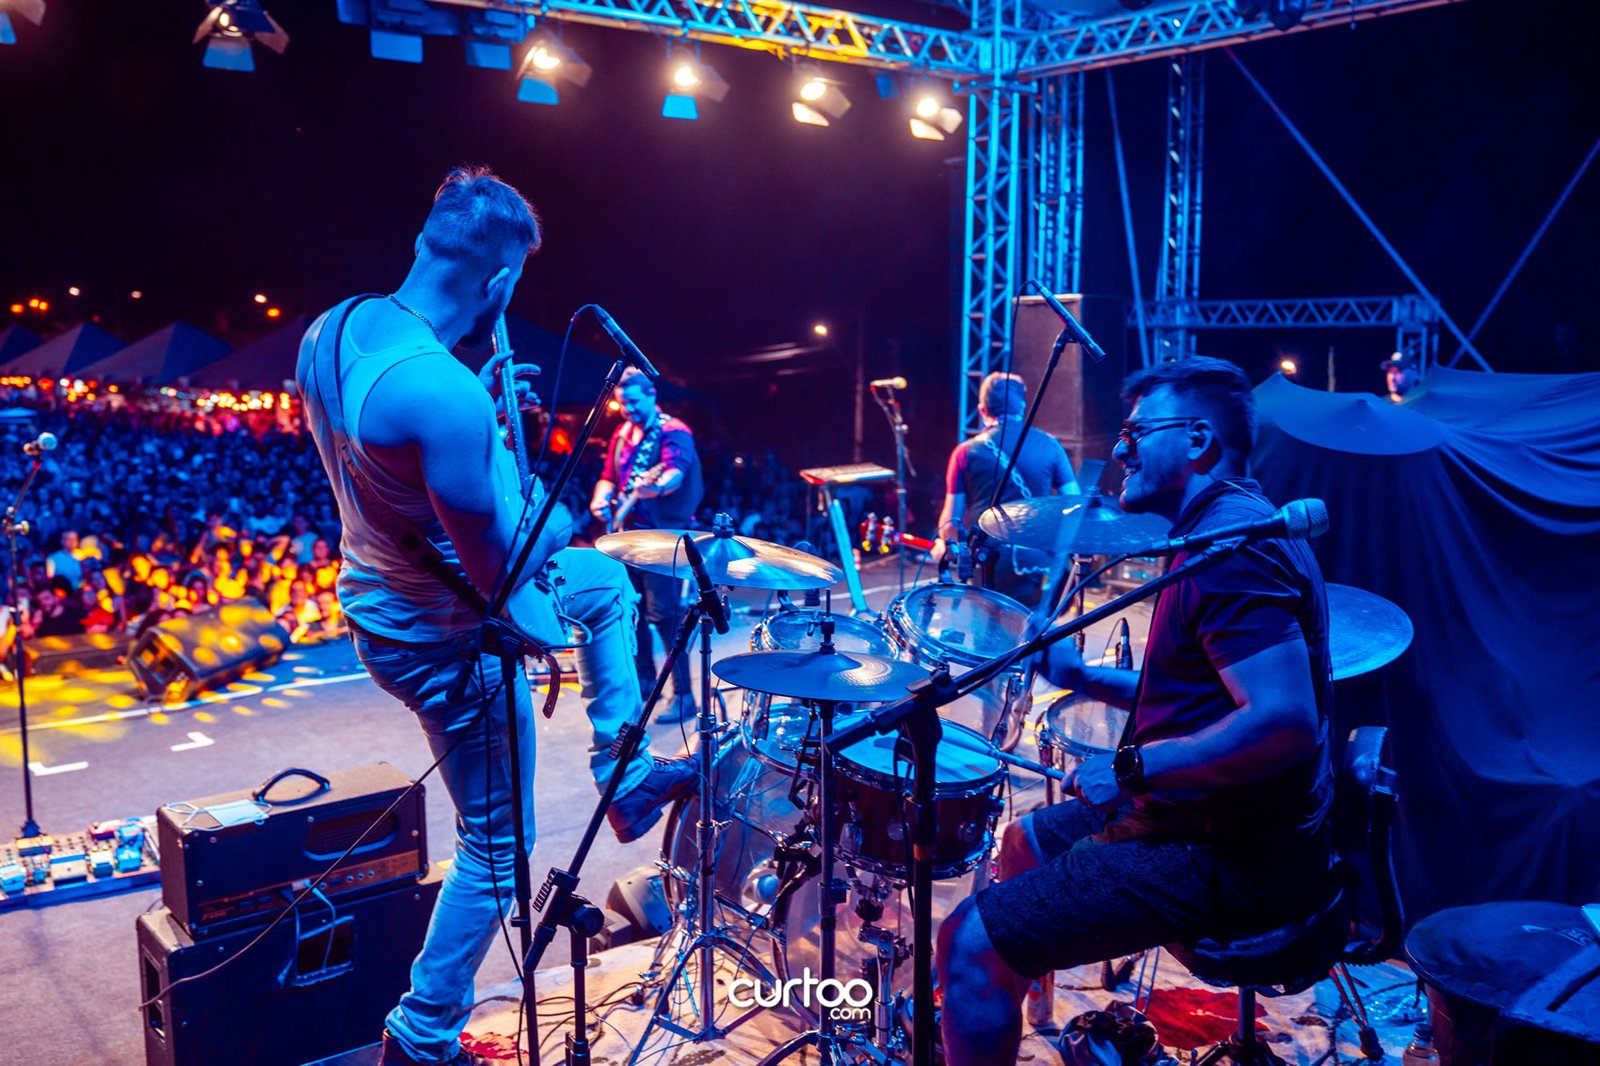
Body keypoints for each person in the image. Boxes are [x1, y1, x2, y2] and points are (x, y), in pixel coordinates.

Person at [296, 166, 695, 1066]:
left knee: (604, 586)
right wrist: (551, 504)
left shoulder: (334, 329)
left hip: (378, 597)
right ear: (503, 282)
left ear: (424, 241)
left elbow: (401, 467)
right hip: (446, 638)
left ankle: (623, 769)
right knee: (497, 845)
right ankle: (422, 1034)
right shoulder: (446, 399)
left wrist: (478, 421)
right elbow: (508, 568)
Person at [937, 357, 1334, 1064]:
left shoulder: (1232, 550)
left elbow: (1284, 723)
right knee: (1021, 841)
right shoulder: (1215, 532)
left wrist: (1130, 768)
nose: (1120, 450)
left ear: (1198, 439)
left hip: (1231, 851)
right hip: (1195, 815)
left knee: (965, 940)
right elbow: (1203, 699)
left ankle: (986, 977)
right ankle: (1006, 998)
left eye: (1136, 433)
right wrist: (1085, 677)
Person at [587, 367, 704, 718]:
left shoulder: (673, 431)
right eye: (623, 403)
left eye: (634, 402)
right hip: (627, 538)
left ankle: (683, 696)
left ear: (652, 395)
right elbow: (609, 477)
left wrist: (656, 487)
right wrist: (600, 498)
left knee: (666, 616)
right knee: (632, 613)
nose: (628, 410)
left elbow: (675, 472)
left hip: (663, 540)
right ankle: (644, 682)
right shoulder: (622, 434)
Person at [935, 371, 1080, 607]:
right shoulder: (1051, 445)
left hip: (990, 565)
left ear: (982, 411)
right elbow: (1075, 506)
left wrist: (947, 544)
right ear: (1022, 407)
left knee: (991, 628)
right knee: (1036, 625)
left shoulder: (965, 452)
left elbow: (951, 522)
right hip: (1039, 561)